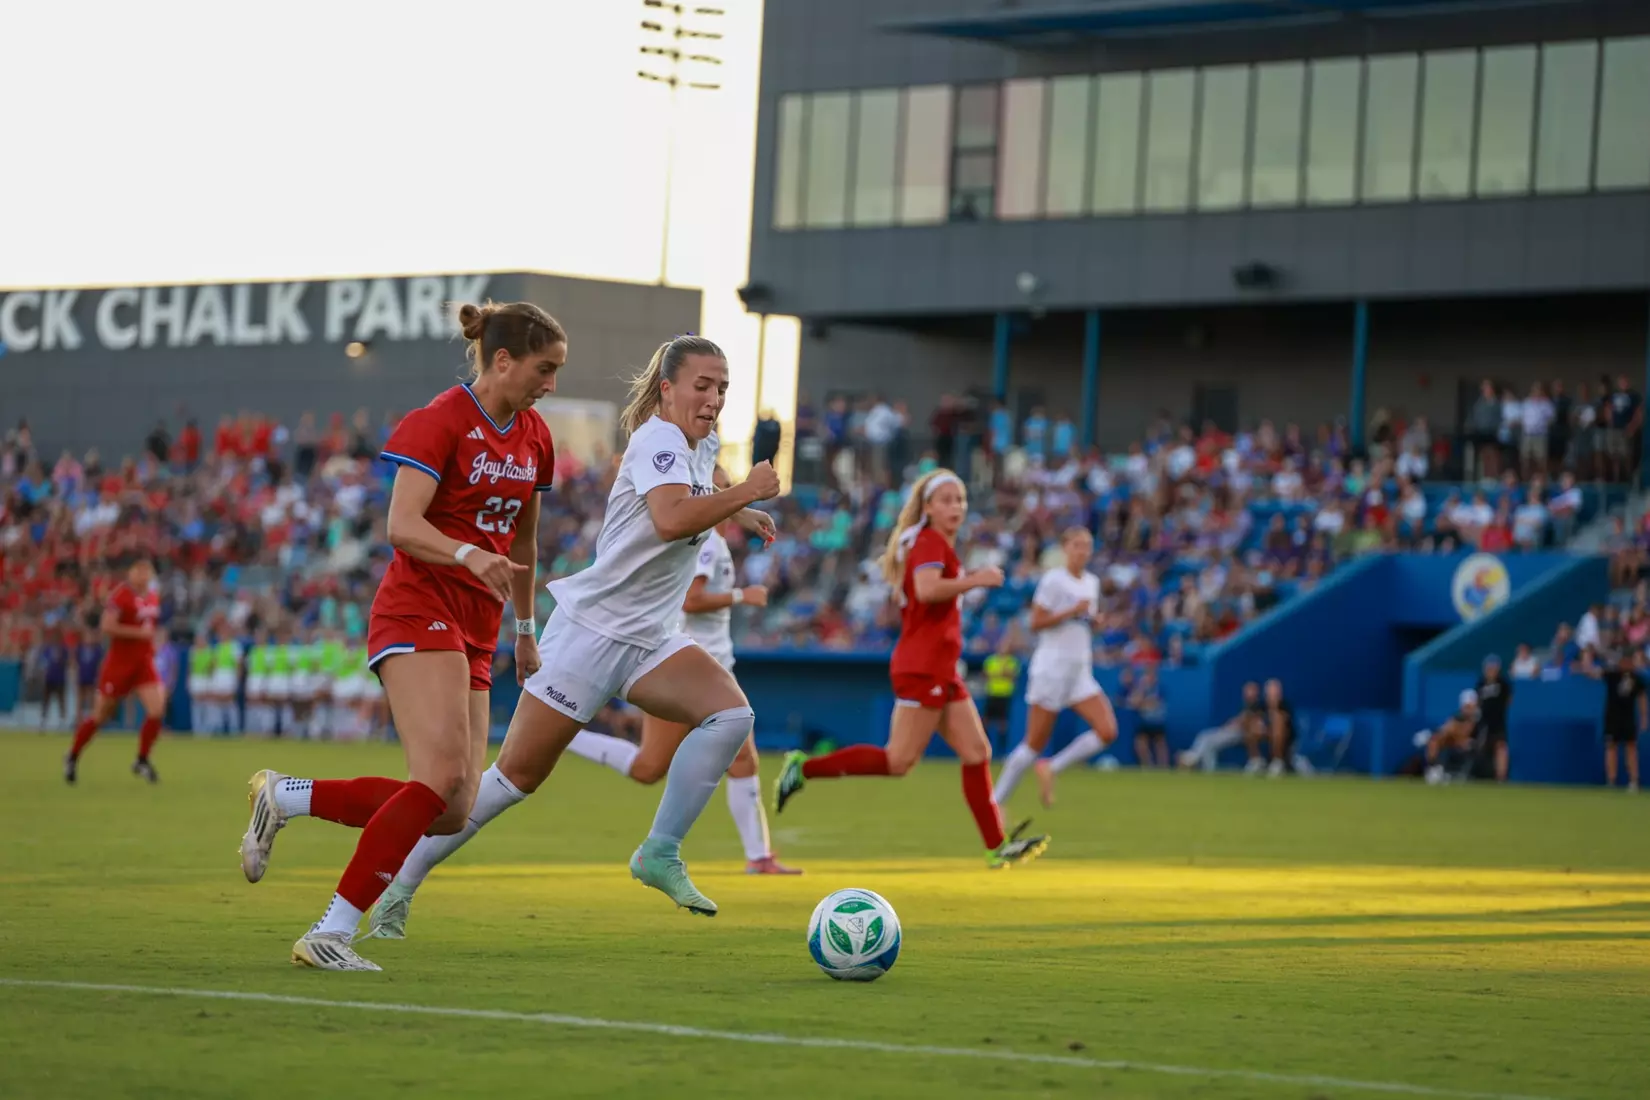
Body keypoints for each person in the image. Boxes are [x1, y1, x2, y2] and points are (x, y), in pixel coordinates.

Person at [358, 334, 781, 943]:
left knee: (731, 716)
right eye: (702, 385)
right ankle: (399, 884)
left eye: (722, 388)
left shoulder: (695, 439)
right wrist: (747, 493)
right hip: (593, 633)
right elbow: (668, 519)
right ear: (667, 389)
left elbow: (702, 475)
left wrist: (738, 508)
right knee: (510, 782)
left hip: (651, 634)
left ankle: (659, 852)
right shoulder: (658, 438)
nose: (714, 398)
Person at [238, 300, 565, 971]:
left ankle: (286, 796)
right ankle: (330, 931)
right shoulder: (440, 420)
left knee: (451, 809)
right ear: (502, 360)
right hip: (419, 606)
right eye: (544, 368)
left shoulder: (535, 437)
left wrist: (526, 632)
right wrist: (471, 555)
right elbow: (402, 525)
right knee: (441, 775)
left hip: (479, 626)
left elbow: (526, 541)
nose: (551, 384)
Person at [773, 469, 1050, 869]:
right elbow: (927, 589)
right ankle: (804, 767)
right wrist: (976, 580)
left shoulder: (930, 542)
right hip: (923, 667)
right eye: (947, 500)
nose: (956, 507)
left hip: (940, 667)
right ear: (928, 507)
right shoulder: (929, 541)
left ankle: (996, 846)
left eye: (960, 500)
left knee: (977, 752)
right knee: (897, 761)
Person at [561, 465, 800, 875]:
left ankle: (758, 857)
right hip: (686, 671)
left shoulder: (718, 541)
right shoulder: (707, 544)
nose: (731, 493)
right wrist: (743, 594)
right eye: (722, 487)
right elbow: (692, 600)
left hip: (710, 666)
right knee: (649, 767)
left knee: (743, 759)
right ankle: (567, 736)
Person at [992, 528, 1118, 808]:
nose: (1082, 551)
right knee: (1033, 744)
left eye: (1087, 545)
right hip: (1052, 669)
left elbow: (1084, 623)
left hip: (1079, 671)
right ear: (1065, 548)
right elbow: (1035, 623)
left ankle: (1052, 768)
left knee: (1107, 730)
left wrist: (1095, 622)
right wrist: (1071, 611)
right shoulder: (1053, 580)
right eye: (1077, 545)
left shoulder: (1091, 582)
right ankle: (995, 801)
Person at [63, 558, 166, 784]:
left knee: (157, 709)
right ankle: (73, 755)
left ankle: (142, 758)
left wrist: (150, 644)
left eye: (146, 570)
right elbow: (107, 626)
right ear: (130, 573)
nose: (143, 575)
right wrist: (139, 634)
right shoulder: (121, 595)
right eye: (138, 570)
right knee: (101, 715)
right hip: (119, 664)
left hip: (143, 662)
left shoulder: (152, 596)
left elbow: (150, 628)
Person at [1179, 681, 1263, 771]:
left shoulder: (1258, 706)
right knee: (1205, 737)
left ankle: (1191, 758)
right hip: (1232, 731)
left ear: (1256, 692)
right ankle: (1207, 767)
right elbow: (1239, 719)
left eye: (1251, 690)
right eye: (1246, 691)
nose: (1248, 693)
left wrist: (1236, 723)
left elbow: (1251, 722)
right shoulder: (1246, 705)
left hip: (1240, 733)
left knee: (1208, 740)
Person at [1593, 651, 1644, 792]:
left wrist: (1645, 718)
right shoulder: (1612, 675)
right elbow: (1594, 673)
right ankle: (1611, 780)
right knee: (1611, 747)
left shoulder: (1637, 679)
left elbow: (1642, 699)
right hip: (1612, 717)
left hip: (1628, 718)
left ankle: (1634, 780)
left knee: (1631, 747)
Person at [1425, 689, 1482, 785]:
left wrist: (1455, 732)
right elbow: (1447, 730)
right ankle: (1434, 769)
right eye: (1466, 706)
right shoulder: (1456, 717)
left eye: (1470, 706)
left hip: (1472, 744)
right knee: (1434, 741)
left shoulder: (1479, 718)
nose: (1468, 709)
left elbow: (1469, 734)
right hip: (1456, 741)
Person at [1475, 654, 1513, 782]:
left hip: (1498, 722)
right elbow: (1478, 702)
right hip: (1483, 723)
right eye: (1489, 668)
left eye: (1494, 668)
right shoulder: (1480, 684)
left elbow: (1508, 700)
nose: (1491, 670)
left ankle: (1501, 777)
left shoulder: (1503, 684)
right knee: (1482, 748)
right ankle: (1480, 776)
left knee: (1500, 747)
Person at [980, 637, 1021, 754]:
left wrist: (998, 674)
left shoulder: (1013, 661)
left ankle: (1001, 752)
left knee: (1003, 724)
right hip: (992, 694)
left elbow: (1011, 675)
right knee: (985, 722)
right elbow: (985, 675)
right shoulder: (991, 660)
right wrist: (1001, 674)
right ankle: (984, 749)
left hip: (1005, 695)